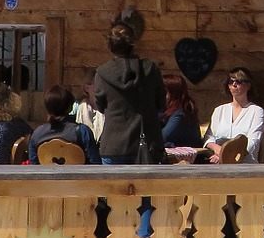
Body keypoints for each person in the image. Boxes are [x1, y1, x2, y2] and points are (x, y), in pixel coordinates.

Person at [93, 20, 165, 164]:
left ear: (110, 46)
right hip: (148, 144)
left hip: (114, 145)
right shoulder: (150, 69)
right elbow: (161, 103)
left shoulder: (102, 73)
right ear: (133, 44)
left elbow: (100, 106)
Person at [204, 67, 264, 163]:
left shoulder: (256, 111)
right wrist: (217, 149)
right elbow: (209, 137)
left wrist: (226, 154)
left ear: (248, 85)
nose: (234, 84)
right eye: (231, 81)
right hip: (218, 163)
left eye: (239, 81)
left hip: (245, 164)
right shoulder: (219, 110)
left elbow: (253, 141)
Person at [28, 84, 100, 164]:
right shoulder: (82, 132)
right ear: (70, 107)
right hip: (76, 172)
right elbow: (95, 163)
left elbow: (34, 164)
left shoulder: (37, 134)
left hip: (47, 172)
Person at [160, 72, 203, 149]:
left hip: (188, 155)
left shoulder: (180, 114)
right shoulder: (164, 110)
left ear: (172, 93)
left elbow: (163, 137)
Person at [72, 68, 105, 143]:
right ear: (87, 87)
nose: (101, 86)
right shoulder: (79, 107)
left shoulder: (107, 107)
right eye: (97, 83)